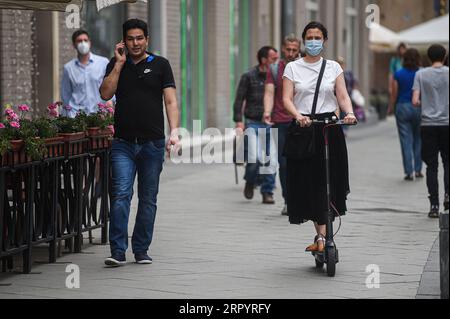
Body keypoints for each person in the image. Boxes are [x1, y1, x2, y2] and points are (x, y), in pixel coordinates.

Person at [100, 19, 180, 267]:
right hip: (123, 143)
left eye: (139, 38)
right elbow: (105, 94)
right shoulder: (116, 64)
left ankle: (142, 249)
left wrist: (174, 131)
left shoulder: (161, 65)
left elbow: (170, 101)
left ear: (147, 39)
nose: (135, 43)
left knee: (148, 199)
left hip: (152, 144)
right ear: (124, 41)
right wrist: (119, 65)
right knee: (121, 195)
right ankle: (118, 251)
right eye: (130, 39)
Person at [282, 22, 357, 253]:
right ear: (304, 40)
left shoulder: (334, 67)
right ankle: (321, 236)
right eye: (310, 37)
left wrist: (350, 113)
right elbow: (286, 99)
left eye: (318, 37)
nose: (313, 41)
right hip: (304, 128)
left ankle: (323, 237)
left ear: (324, 40)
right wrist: (298, 115)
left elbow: (342, 95)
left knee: (330, 180)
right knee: (310, 182)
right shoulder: (293, 68)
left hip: (329, 127)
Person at [234, 46, 279, 205]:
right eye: (273, 58)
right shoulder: (248, 76)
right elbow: (239, 99)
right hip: (252, 122)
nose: (276, 61)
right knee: (254, 157)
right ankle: (250, 180)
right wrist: (238, 121)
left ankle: (267, 192)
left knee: (271, 160)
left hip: (272, 123)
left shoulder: (277, 76)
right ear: (263, 60)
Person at [263, 34, 300, 215]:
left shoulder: (304, 68)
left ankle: (301, 197)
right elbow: (269, 93)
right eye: (288, 49)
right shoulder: (275, 68)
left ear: (299, 50)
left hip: (302, 122)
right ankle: (288, 200)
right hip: (281, 122)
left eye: (295, 50)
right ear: (283, 49)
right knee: (284, 164)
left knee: (301, 163)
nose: (291, 53)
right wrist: (267, 112)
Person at [413, 44, 449, 218]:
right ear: (444, 56)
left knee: (432, 166)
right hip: (447, 124)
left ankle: (434, 205)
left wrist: (427, 103)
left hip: (428, 125)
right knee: (448, 163)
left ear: (428, 57)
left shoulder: (420, 74)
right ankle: (448, 195)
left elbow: (415, 101)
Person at [61, 30, 112, 118]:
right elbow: (66, 95)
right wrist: (69, 115)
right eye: (79, 41)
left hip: (99, 115)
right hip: (76, 116)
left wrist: (110, 103)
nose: (83, 43)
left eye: (85, 40)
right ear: (74, 45)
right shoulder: (68, 68)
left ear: (90, 43)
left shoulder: (103, 62)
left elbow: (111, 85)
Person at [389, 48, 423, 181]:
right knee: (418, 139)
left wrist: (391, 107)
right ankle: (419, 170)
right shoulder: (421, 73)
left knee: (405, 140)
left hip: (402, 107)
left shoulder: (398, 73)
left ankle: (409, 172)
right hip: (418, 107)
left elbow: (394, 92)